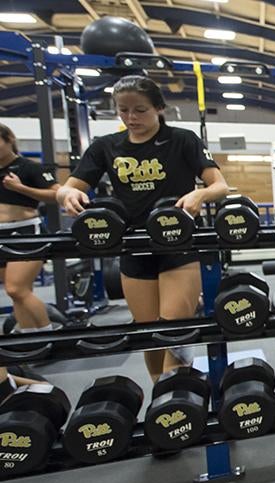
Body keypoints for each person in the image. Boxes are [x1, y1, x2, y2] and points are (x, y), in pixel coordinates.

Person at [56, 75, 230, 382]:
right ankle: (162, 396)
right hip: (134, 246)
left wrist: (199, 193)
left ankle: (178, 398)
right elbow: (67, 188)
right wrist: (68, 194)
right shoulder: (105, 147)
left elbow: (220, 186)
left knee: (174, 326)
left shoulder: (183, 140)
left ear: (159, 108)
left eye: (140, 110)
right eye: (123, 110)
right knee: (149, 331)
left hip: (179, 243)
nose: (131, 118)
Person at [0, 123, 60, 334]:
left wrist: (20, 188)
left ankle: (47, 335)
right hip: (1, 235)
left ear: (9, 140)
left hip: (25, 232)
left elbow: (57, 195)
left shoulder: (29, 167)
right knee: (18, 293)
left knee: (16, 288)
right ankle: (29, 341)